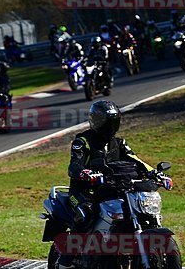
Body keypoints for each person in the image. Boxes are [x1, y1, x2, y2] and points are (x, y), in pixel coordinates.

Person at [65, 100, 171, 239]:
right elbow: (73, 166)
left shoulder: (119, 143)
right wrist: (86, 173)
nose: (110, 126)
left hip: (110, 188)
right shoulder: (83, 141)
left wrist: (156, 174)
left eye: (113, 122)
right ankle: (67, 259)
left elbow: (136, 160)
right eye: (106, 122)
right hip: (83, 190)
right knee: (85, 213)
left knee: (135, 208)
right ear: (96, 121)